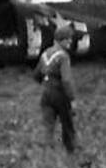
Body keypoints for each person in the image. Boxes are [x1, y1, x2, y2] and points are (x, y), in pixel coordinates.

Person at [33, 22, 78, 153]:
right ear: (61, 40)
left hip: (46, 94)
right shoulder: (63, 57)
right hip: (60, 94)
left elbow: (36, 75)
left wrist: (46, 83)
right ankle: (71, 153)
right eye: (68, 39)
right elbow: (67, 80)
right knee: (67, 124)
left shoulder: (45, 54)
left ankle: (48, 153)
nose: (70, 41)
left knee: (49, 125)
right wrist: (72, 99)